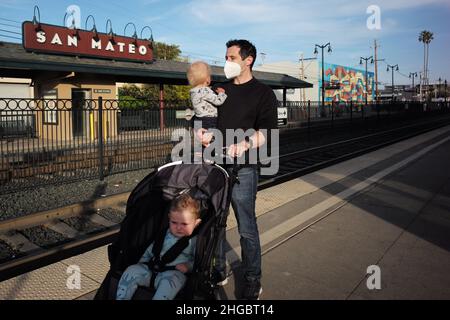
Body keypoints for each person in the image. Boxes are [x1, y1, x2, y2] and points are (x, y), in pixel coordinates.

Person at [197, 39, 278, 300]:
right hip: (216, 166)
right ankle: (218, 269)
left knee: (246, 227)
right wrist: (201, 132)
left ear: (248, 60)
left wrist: (245, 144)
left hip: (244, 169)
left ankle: (252, 279)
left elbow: (267, 132)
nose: (227, 62)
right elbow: (206, 117)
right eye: (226, 57)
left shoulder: (263, 93)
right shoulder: (221, 90)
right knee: (214, 224)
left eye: (231, 57)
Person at [116, 194, 201, 300]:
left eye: (184, 224)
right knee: (132, 270)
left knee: (170, 283)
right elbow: (150, 250)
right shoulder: (163, 233)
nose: (178, 227)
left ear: (196, 223)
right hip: (152, 270)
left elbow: (199, 262)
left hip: (173, 274)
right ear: (169, 218)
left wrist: (188, 266)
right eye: (174, 222)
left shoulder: (194, 241)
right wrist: (142, 262)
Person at [186, 61, 227, 130]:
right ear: (207, 78)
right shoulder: (205, 90)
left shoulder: (193, 92)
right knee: (212, 138)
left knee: (202, 138)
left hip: (198, 119)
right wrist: (221, 93)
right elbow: (218, 101)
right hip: (209, 120)